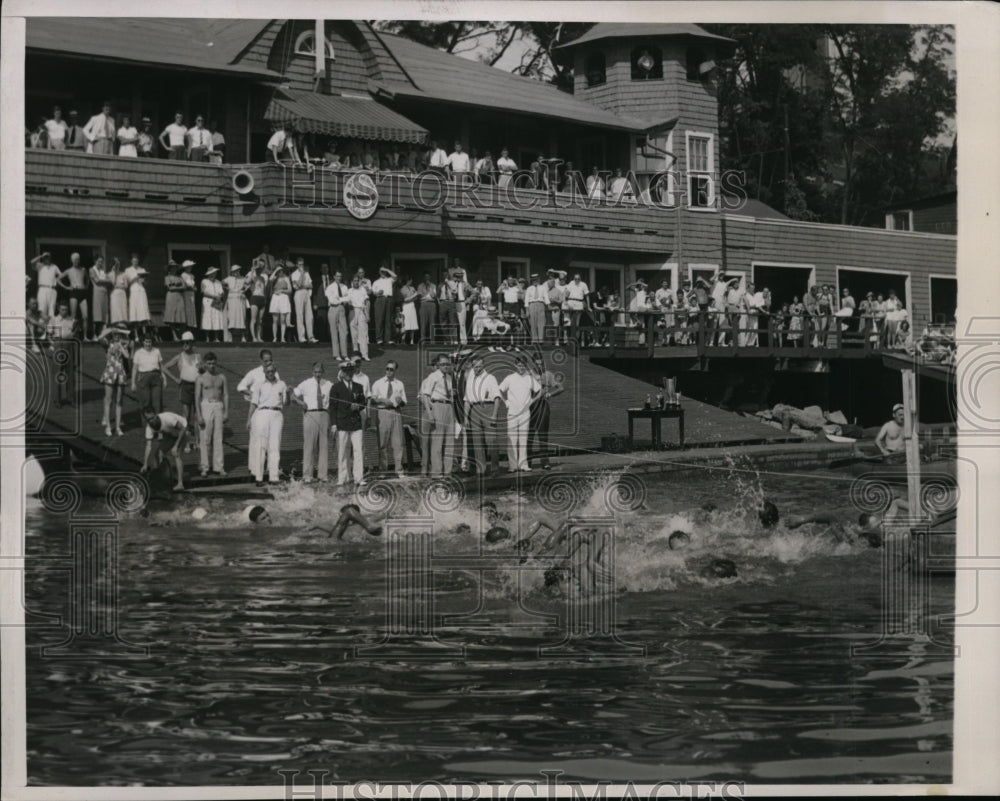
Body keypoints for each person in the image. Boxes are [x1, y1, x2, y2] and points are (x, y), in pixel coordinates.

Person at [247, 363, 288, 486]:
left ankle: (273, 477)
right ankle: (259, 477)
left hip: (277, 414)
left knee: (275, 445)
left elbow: (286, 402)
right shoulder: (259, 384)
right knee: (260, 445)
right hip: (262, 413)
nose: (270, 373)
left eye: (272, 371)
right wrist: (249, 419)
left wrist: (289, 393)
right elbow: (254, 403)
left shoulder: (282, 384)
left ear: (275, 371)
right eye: (268, 371)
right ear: (265, 372)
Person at [293, 362, 334, 483]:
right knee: (309, 446)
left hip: (324, 414)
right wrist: (301, 403)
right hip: (310, 414)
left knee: (323, 446)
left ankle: (322, 475)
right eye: (315, 372)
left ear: (323, 372)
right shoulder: (306, 383)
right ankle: (307, 475)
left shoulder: (328, 384)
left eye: (320, 372)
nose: (318, 374)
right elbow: (292, 395)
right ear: (312, 372)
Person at [499, 357, 540, 472]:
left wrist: (532, 400)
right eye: (519, 365)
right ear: (515, 365)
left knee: (523, 439)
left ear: (525, 366)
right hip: (512, 413)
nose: (521, 367)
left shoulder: (529, 378)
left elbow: (540, 390)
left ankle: (523, 465)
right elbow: (499, 390)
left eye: (523, 365)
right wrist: (506, 402)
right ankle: (512, 466)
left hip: (525, 413)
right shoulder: (510, 378)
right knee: (511, 440)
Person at [163, 331, 202, 452]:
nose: (185, 344)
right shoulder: (179, 356)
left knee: (197, 415)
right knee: (186, 416)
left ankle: (198, 442)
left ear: (192, 343)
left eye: (187, 342)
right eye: (183, 342)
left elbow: (203, 371)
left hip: (197, 386)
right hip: (185, 386)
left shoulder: (198, 356)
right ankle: (187, 442)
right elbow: (163, 367)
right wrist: (175, 379)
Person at [331, 360, 368, 487]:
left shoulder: (359, 387)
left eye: (351, 371)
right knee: (342, 451)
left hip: (355, 423)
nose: (348, 374)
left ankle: (359, 478)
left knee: (358, 450)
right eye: (346, 371)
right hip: (342, 423)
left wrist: (358, 406)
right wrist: (334, 424)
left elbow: (363, 403)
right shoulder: (336, 387)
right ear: (342, 372)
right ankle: (343, 478)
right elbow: (332, 407)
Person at [419, 354, 457, 476]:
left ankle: (448, 471)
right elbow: (425, 395)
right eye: (443, 364)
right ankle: (436, 472)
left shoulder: (450, 378)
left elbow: (450, 394)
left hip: (449, 407)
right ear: (439, 365)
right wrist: (430, 414)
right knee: (437, 441)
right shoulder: (433, 376)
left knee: (450, 441)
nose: (446, 366)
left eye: (448, 364)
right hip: (437, 406)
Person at [463, 356, 501, 475]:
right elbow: (467, 400)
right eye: (475, 366)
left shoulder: (490, 378)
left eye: (479, 366)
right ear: (472, 366)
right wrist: (466, 417)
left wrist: (494, 415)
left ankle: (495, 469)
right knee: (477, 442)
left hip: (488, 409)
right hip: (474, 410)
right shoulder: (470, 378)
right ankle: (481, 470)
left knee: (492, 440)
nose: (477, 369)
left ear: (483, 366)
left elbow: (497, 398)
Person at [193, 351, 229, 477]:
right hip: (206, 405)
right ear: (204, 364)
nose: (212, 366)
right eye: (209, 363)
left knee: (218, 437)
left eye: (213, 363)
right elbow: (197, 397)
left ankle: (219, 467)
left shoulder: (221, 377)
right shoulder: (200, 378)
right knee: (205, 438)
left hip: (218, 405)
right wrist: (199, 415)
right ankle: (204, 466)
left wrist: (226, 412)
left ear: (216, 362)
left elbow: (225, 395)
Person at [371, 360, 407, 478]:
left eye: (391, 369)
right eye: (387, 369)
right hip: (383, 412)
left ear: (395, 370)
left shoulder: (399, 384)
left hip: (396, 412)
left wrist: (400, 401)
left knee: (398, 443)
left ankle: (399, 470)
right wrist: (382, 400)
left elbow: (404, 402)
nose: (389, 371)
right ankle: (383, 470)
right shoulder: (378, 383)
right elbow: (372, 399)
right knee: (382, 443)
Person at [529, 359, 564, 470]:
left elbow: (561, 388)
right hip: (529, 406)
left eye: (541, 364)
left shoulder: (548, 375)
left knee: (542, 435)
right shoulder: (527, 374)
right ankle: (527, 463)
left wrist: (550, 394)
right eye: (537, 364)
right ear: (533, 364)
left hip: (542, 406)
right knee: (528, 435)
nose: (539, 366)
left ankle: (544, 462)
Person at [142, 408, 187, 491]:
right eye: (149, 420)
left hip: (182, 431)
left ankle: (180, 484)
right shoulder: (149, 428)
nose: (152, 421)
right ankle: (160, 479)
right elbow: (148, 446)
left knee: (176, 454)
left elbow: (182, 429)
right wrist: (145, 464)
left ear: (156, 415)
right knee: (158, 454)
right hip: (170, 433)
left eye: (153, 418)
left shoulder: (167, 418)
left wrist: (176, 446)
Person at [97, 326, 131, 436]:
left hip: (120, 372)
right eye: (115, 334)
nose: (117, 336)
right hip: (110, 372)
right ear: (112, 335)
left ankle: (117, 427)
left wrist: (121, 344)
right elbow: (99, 338)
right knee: (108, 400)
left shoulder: (123, 344)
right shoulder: (107, 343)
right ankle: (108, 426)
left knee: (119, 400)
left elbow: (127, 356)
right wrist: (111, 330)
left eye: (118, 334)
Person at [49, 302, 79, 408]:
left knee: (70, 372)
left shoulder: (72, 320)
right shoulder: (54, 319)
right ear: (58, 309)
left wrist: (75, 332)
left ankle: (70, 398)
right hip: (58, 344)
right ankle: (57, 399)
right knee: (58, 373)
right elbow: (48, 333)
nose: (64, 312)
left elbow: (75, 332)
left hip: (69, 345)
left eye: (66, 309)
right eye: (62, 309)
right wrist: (53, 345)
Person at [58, 252, 90, 340]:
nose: (77, 261)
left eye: (78, 259)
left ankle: (85, 336)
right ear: (72, 260)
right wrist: (67, 287)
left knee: (85, 316)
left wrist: (86, 286)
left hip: (82, 292)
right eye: (75, 259)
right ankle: (72, 335)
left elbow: (88, 279)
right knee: (73, 316)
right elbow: (58, 279)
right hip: (74, 292)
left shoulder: (83, 270)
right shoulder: (69, 270)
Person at [131, 334, 166, 413]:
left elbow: (161, 366)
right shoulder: (138, 353)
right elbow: (134, 368)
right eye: (146, 342)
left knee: (157, 402)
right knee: (145, 402)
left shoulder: (156, 351)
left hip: (156, 377)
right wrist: (133, 383)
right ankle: (146, 423)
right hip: (143, 378)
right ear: (143, 342)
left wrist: (164, 377)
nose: (148, 344)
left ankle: (158, 423)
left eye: (150, 342)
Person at [324, 265, 350, 359]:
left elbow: (348, 298)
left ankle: (344, 354)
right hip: (333, 309)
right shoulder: (330, 287)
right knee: (334, 331)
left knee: (344, 331)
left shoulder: (344, 287)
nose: (339, 278)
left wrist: (339, 299)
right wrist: (341, 299)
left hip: (342, 309)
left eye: (340, 276)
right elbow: (332, 300)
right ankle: (336, 354)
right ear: (334, 277)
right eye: (337, 276)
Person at [290, 257, 316, 343]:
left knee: (310, 316)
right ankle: (301, 337)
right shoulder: (294, 274)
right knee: (300, 315)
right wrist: (301, 274)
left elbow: (311, 285)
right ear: (297, 265)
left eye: (302, 264)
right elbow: (298, 285)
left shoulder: (307, 273)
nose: (301, 266)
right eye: (300, 264)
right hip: (298, 294)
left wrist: (304, 285)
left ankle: (311, 337)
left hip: (306, 294)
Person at [371, 264, 397, 346]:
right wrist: (378, 293)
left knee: (388, 319)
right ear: (379, 272)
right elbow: (373, 292)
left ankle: (388, 339)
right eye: (381, 271)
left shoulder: (389, 280)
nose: (383, 273)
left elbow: (395, 276)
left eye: (384, 272)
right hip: (380, 299)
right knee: (379, 319)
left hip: (388, 299)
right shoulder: (376, 282)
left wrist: (386, 269)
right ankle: (379, 339)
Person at [31, 252, 62, 320]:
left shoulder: (54, 266)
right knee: (41, 309)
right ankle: (42, 328)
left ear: (50, 258)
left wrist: (57, 282)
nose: (47, 259)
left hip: (52, 289)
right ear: (43, 258)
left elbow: (61, 276)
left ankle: (50, 330)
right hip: (42, 289)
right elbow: (32, 262)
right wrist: (41, 256)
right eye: (45, 257)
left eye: (48, 257)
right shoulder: (39, 265)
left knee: (51, 310)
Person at [346, 275, 371, 360]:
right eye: (354, 281)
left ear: (359, 281)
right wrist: (348, 303)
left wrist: (367, 314)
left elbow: (367, 301)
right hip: (352, 311)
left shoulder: (363, 290)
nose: (356, 282)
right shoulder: (349, 291)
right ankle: (356, 353)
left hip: (361, 311)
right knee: (354, 334)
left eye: (357, 280)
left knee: (363, 333)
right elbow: (347, 301)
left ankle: (365, 354)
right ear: (352, 282)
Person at [223, 264, 248, 343]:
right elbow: (222, 282)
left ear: (239, 271)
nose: (235, 273)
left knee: (242, 317)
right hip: (232, 298)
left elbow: (249, 283)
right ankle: (230, 337)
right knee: (231, 317)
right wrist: (227, 288)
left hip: (240, 298)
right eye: (234, 271)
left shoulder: (243, 278)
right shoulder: (229, 278)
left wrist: (244, 290)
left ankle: (243, 336)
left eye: (236, 271)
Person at [199, 266, 225, 342]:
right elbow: (203, 292)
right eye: (212, 273)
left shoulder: (218, 282)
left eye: (215, 273)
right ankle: (207, 337)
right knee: (207, 318)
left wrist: (220, 296)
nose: (214, 274)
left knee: (217, 318)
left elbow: (222, 292)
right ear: (209, 274)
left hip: (217, 301)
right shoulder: (204, 281)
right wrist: (214, 296)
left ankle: (216, 338)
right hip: (208, 301)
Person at [162, 261, 187, 341]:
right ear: (169, 269)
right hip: (171, 297)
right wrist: (178, 286)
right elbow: (170, 288)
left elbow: (184, 287)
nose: (174, 269)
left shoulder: (180, 277)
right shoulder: (167, 277)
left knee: (180, 315)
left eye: (175, 267)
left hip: (179, 297)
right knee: (172, 316)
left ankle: (181, 335)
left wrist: (175, 286)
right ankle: (174, 336)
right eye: (172, 267)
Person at [247, 259, 270, 343]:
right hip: (255, 298)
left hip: (262, 298)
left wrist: (265, 298)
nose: (259, 270)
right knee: (253, 320)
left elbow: (264, 289)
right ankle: (254, 338)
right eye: (258, 268)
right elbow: (247, 281)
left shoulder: (263, 278)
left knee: (260, 320)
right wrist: (252, 269)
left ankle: (258, 336)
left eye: (261, 268)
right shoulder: (252, 276)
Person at [268, 266, 292, 343]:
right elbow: (270, 279)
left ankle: (282, 338)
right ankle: (274, 338)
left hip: (284, 298)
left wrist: (282, 291)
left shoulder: (286, 278)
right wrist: (275, 270)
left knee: (283, 320)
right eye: (279, 271)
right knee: (275, 320)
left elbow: (290, 290)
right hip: (275, 298)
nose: (280, 272)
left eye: (281, 270)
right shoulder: (275, 278)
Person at [417, 272, 438, 344]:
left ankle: (432, 341)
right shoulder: (420, 286)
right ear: (423, 278)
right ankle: (423, 340)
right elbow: (420, 295)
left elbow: (434, 296)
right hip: (423, 304)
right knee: (423, 323)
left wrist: (430, 287)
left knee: (432, 323)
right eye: (425, 277)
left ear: (430, 278)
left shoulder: (433, 286)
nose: (427, 278)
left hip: (432, 304)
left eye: (428, 277)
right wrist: (426, 294)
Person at [109, 258, 129, 329]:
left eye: (118, 265)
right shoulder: (110, 274)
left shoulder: (124, 274)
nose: (116, 267)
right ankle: (116, 325)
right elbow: (112, 284)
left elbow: (126, 286)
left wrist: (119, 286)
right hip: (114, 294)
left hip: (122, 294)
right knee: (115, 309)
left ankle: (122, 324)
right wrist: (114, 273)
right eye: (115, 265)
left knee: (122, 309)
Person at [399, 278, 419, 345]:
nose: (411, 281)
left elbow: (416, 298)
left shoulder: (412, 288)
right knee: (406, 323)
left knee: (413, 323)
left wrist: (412, 298)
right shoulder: (402, 289)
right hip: (406, 307)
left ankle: (412, 340)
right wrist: (413, 296)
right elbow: (405, 300)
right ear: (407, 280)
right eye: (410, 280)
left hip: (412, 306)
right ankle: (403, 339)